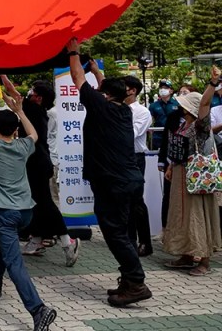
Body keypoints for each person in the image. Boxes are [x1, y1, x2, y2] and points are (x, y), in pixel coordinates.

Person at [66, 39, 150, 306]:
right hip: (128, 180)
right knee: (123, 232)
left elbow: (77, 77)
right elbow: (106, 88)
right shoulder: (124, 110)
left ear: (105, 95)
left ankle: (136, 282)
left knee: (114, 233)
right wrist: (97, 71)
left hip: (112, 183)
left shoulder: (100, 106)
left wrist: (73, 52)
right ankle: (128, 280)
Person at [0, 92, 58, 330]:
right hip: (26, 212)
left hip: (5, 212)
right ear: (15, 130)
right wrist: (20, 110)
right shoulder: (23, 146)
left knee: (15, 262)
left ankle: (37, 309)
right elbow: (34, 134)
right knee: (5, 242)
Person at [6, 77, 79, 265]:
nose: (29, 93)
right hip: (33, 162)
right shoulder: (36, 110)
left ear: (39, 98)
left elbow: (13, 95)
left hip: (37, 163)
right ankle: (37, 239)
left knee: (45, 203)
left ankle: (67, 240)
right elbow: (11, 98)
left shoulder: (33, 110)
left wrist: (2, 76)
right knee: (35, 203)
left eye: (33, 91)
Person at [161, 74, 222, 276]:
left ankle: (203, 260)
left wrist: (212, 84)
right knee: (181, 215)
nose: (181, 105)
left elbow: (204, 103)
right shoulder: (183, 123)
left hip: (197, 178)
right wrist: (171, 166)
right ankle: (186, 254)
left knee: (198, 216)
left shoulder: (200, 126)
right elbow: (179, 149)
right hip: (181, 175)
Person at [121, 76, 154, 257]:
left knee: (136, 200)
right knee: (123, 200)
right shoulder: (116, 108)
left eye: (123, 87)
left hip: (135, 158)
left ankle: (145, 242)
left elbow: (132, 134)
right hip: (119, 157)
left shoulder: (142, 112)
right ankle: (129, 239)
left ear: (132, 90)